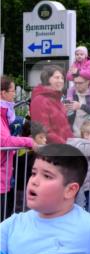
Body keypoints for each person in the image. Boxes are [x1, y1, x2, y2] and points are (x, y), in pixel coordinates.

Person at [1, 76, 36, 221]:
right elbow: (4, 140)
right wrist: (29, 141)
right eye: (12, 91)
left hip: (5, 176)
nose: (14, 94)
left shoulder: (5, 113)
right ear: (3, 93)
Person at [29, 65, 73, 144]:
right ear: (47, 79)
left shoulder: (58, 101)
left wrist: (74, 141)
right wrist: (66, 146)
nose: (61, 81)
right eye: (57, 77)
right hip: (51, 152)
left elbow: (65, 130)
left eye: (62, 78)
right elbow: (42, 131)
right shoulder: (39, 100)